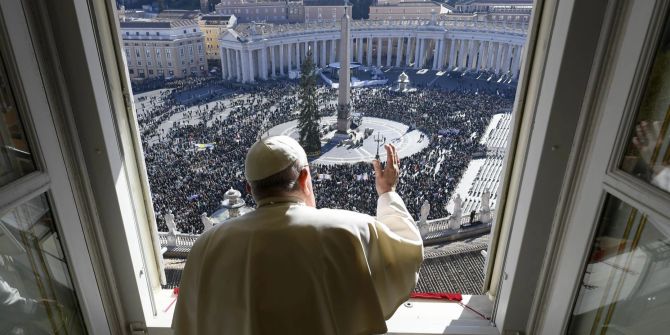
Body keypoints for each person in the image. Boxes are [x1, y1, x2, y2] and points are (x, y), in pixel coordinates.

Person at [172, 136, 424, 335]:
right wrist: (387, 193)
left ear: (249, 189)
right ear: (305, 177)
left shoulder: (206, 247)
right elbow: (408, 249)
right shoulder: (349, 230)